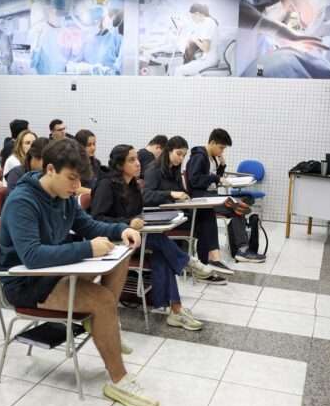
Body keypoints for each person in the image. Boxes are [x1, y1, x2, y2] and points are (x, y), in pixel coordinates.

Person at [0, 139, 158, 406]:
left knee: (120, 257)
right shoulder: (21, 201)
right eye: (71, 179)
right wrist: (87, 248)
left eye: (79, 180)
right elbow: (33, 257)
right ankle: (119, 380)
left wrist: (120, 230)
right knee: (103, 302)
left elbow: (86, 224)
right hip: (28, 282)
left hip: (55, 271)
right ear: (50, 169)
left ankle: (103, 324)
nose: (76, 187)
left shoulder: (64, 197)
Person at [92, 144, 212, 329]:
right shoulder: (106, 185)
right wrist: (128, 223)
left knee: (162, 255)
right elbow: (97, 219)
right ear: (119, 164)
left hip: (134, 238)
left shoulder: (133, 185)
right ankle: (187, 263)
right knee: (158, 240)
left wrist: (136, 221)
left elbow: (138, 213)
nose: (138, 163)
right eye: (132, 160)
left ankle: (176, 310)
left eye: (137, 159)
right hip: (113, 241)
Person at [143, 136, 229, 283]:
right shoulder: (154, 169)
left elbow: (181, 192)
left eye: (184, 155)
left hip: (174, 212)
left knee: (206, 214)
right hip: (160, 214)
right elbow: (147, 195)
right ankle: (203, 266)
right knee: (204, 220)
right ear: (168, 151)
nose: (181, 158)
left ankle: (204, 264)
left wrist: (186, 197)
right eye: (178, 154)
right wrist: (170, 194)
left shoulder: (174, 170)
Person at [187, 129, 265, 265]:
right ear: (212, 143)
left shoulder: (211, 158)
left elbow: (211, 177)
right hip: (202, 198)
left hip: (210, 195)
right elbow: (195, 180)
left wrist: (222, 166)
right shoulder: (200, 156)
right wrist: (217, 178)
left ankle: (241, 248)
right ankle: (241, 249)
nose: (222, 151)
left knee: (242, 203)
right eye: (221, 148)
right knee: (238, 207)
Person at [174, 3, 219, 77]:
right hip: (207, 58)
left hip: (209, 60)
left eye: (192, 17)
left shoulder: (208, 23)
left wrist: (194, 39)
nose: (192, 20)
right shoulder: (207, 22)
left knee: (178, 70)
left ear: (197, 14)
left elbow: (206, 48)